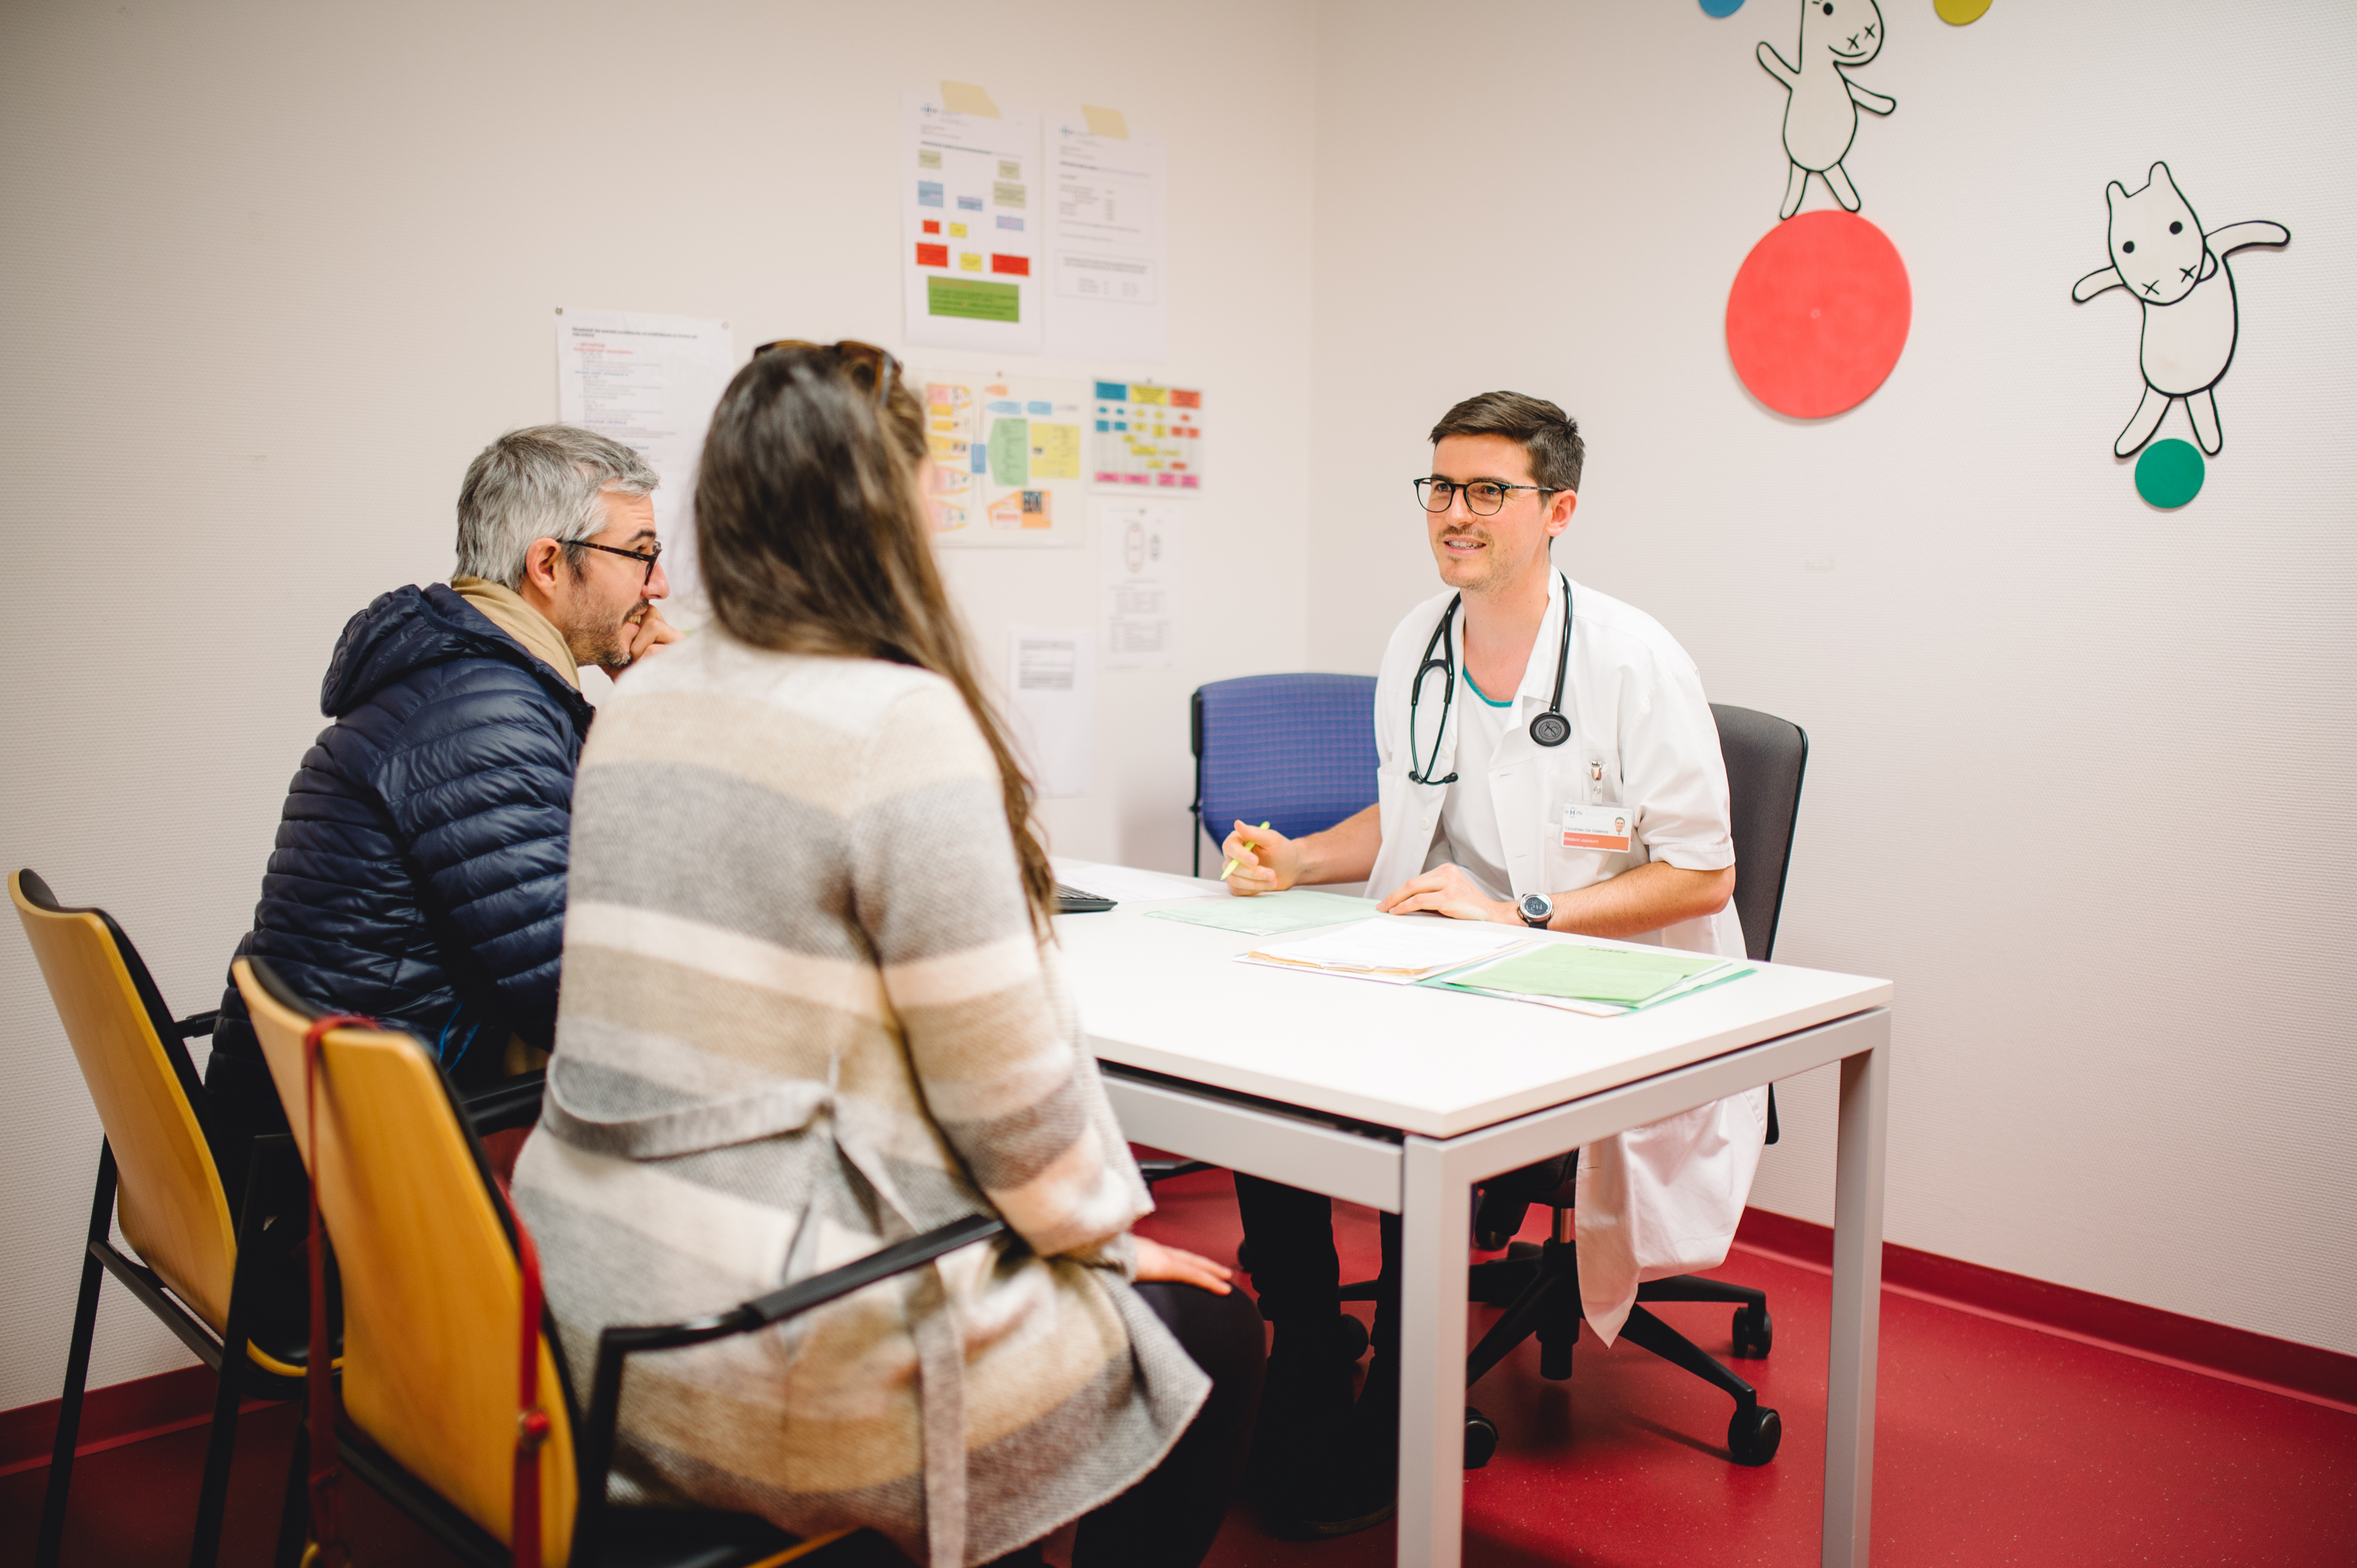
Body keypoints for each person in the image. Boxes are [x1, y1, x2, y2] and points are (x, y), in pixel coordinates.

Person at [511, 341, 1263, 1568]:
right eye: (931, 473)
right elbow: (1010, 1102)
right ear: (886, 501)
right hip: (758, 1345)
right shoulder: (895, 723)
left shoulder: (640, 701)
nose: (942, 503)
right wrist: (1116, 1245)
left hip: (586, 1308)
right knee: (1212, 1331)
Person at [1219, 390, 1764, 1536]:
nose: (1453, 513)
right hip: (1453, 967)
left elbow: (1704, 876)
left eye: (1486, 491)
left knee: (1420, 1128)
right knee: (1262, 1068)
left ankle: (1401, 1414)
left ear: (1558, 508)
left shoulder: (1632, 659)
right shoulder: (1418, 638)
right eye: (1441, 488)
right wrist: (1298, 857)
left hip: (1609, 987)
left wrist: (1521, 914)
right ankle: (1313, 1346)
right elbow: (1408, 806)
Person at [204, 425, 677, 1195]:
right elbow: (577, 999)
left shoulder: (472, 683)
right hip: (343, 1193)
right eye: (643, 553)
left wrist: (651, 712)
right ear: (550, 565)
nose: (658, 587)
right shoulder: (484, 714)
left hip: (303, 1143)